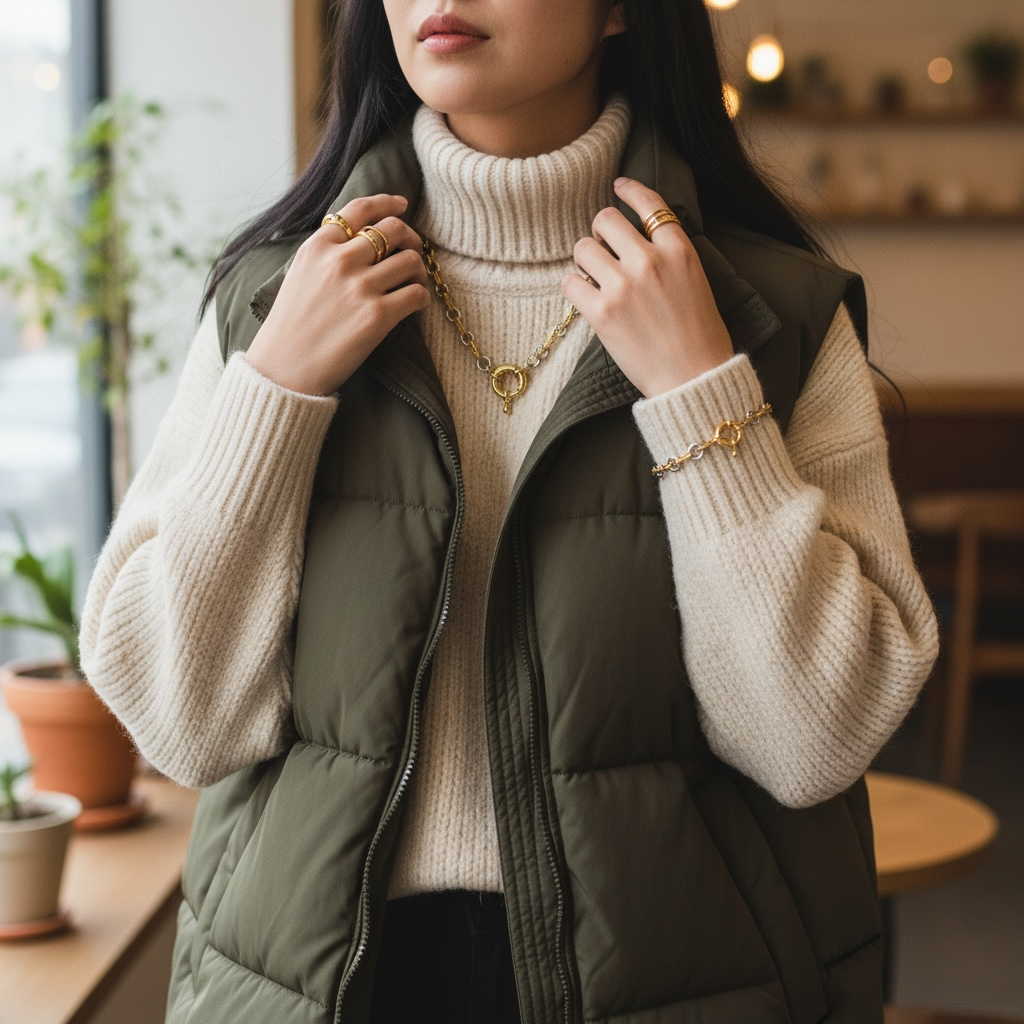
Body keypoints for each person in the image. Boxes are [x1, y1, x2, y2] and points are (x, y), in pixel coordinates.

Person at [80, 1, 939, 1022]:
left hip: (678, 983)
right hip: (327, 988)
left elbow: (813, 742)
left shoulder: (771, 314)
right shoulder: (276, 303)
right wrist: (276, 390)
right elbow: (181, 726)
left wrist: (701, 390)